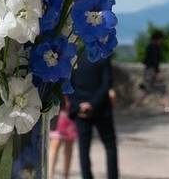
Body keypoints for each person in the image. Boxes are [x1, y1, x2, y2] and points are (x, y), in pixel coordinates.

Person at [70, 51, 118, 179]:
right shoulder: (103, 56)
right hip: (101, 108)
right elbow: (107, 83)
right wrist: (92, 103)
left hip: (80, 110)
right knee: (110, 146)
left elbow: (69, 85)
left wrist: (79, 105)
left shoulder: (75, 57)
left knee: (83, 149)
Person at [132, 31, 169, 114]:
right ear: (158, 39)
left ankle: (133, 107)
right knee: (159, 89)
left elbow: (146, 61)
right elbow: (154, 61)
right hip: (152, 72)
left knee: (148, 90)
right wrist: (157, 72)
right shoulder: (154, 47)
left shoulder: (150, 47)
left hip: (149, 71)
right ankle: (168, 107)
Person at [49, 96, 78, 179]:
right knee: (55, 141)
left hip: (72, 106)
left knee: (69, 142)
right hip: (59, 104)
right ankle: (50, 175)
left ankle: (66, 175)